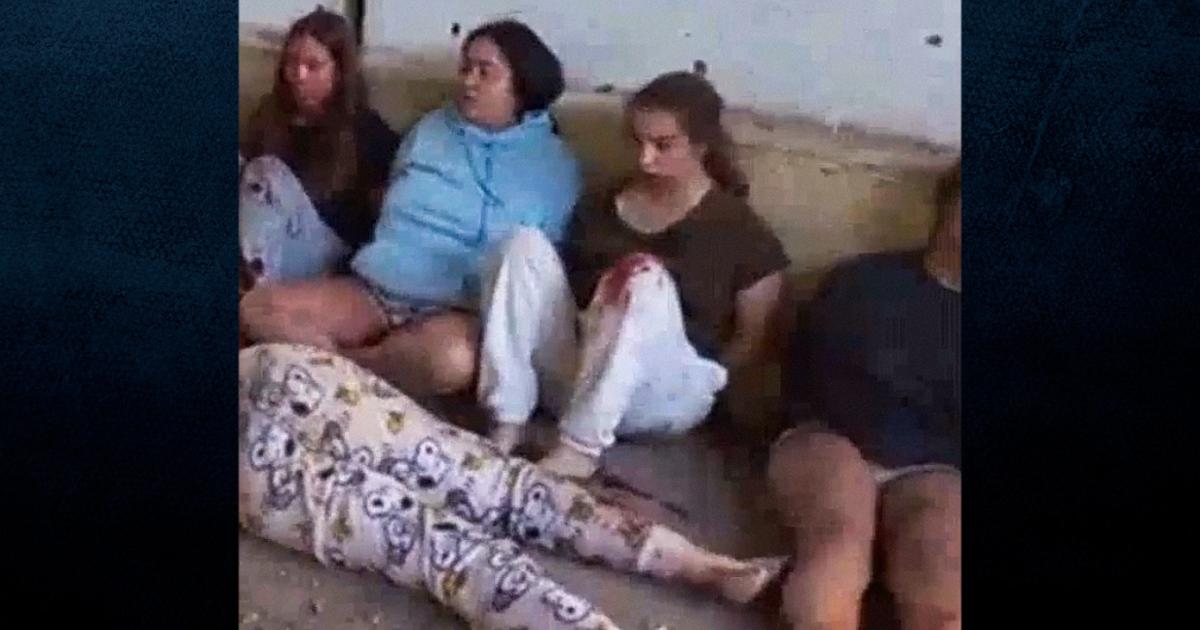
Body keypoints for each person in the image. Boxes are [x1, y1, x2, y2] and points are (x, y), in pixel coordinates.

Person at [239, 342, 785, 629]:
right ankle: (698, 565)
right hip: (273, 373)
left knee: (444, 548)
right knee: (494, 488)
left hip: (252, 433)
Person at [239, 20, 582, 398]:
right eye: (465, 68)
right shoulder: (432, 129)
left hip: (454, 311)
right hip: (377, 289)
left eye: (485, 72)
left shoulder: (553, 165)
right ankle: (352, 375)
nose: (468, 81)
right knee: (257, 307)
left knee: (452, 361)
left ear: (522, 84)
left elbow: (535, 268)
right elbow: (387, 193)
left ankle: (337, 369)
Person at [477, 71, 790, 478]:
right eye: (638, 143)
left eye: (663, 146)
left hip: (662, 394)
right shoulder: (603, 203)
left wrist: (711, 385)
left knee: (642, 276)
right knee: (523, 244)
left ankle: (579, 450)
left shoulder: (741, 231)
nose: (645, 159)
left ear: (700, 145)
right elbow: (563, 296)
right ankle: (507, 420)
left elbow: (751, 339)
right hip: (581, 375)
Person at [767, 160, 962, 630]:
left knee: (942, 569)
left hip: (933, 465)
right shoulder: (864, 281)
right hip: (832, 437)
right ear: (947, 204)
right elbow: (809, 377)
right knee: (838, 538)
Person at [239, 7, 401, 290]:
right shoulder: (270, 114)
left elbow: (386, 219)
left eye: (313, 66)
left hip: (325, 257)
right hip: (265, 240)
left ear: (339, 72)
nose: (298, 75)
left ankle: (249, 288)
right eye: (291, 63)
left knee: (267, 171)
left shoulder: (366, 131)